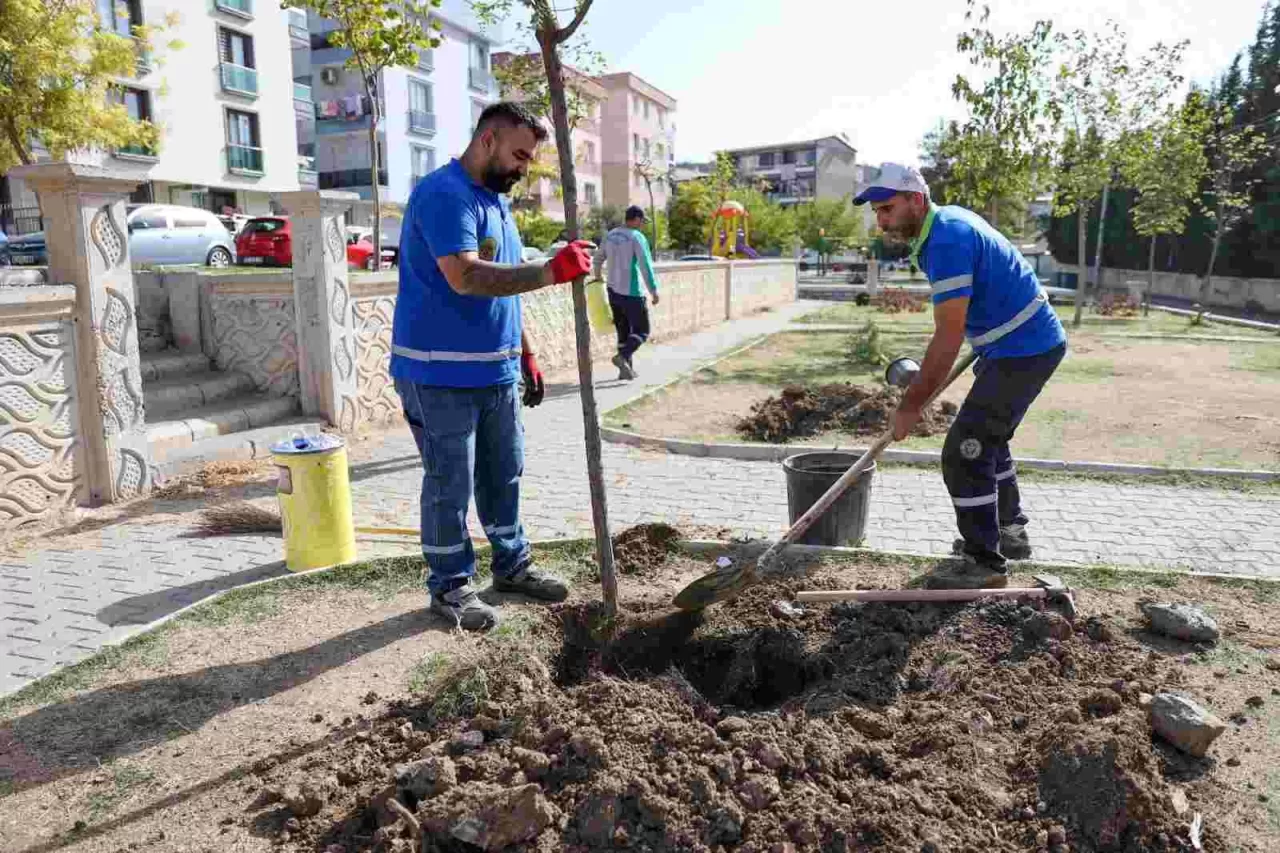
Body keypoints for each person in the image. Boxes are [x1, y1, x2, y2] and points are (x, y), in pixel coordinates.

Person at [391, 101, 594, 631]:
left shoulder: (495, 203)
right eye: (520, 155)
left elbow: (506, 289)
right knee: (449, 483)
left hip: (494, 371)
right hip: (438, 373)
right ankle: (451, 587)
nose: (524, 168)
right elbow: (466, 276)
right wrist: (550, 271)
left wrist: (524, 350)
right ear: (488, 140)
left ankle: (511, 566)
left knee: (504, 475)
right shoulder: (444, 195)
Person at [854, 163, 1067, 589]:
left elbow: (948, 337)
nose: (882, 219)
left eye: (888, 208)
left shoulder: (946, 239)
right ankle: (1010, 532)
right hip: (1016, 343)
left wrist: (910, 406)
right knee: (989, 440)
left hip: (1024, 349)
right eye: (877, 212)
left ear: (916, 199)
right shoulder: (947, 223)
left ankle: (983, 562)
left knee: (964, 452)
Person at [593, 205, 660, 380]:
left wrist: (599, 277)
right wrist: (653, 291)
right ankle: (622, 358)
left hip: (613, 290)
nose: (642, 226)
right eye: (642, 222)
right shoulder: (636, 237)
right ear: (636, 219)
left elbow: (598, 258)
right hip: (632, 292)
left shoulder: (610, 235)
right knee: (642, 330)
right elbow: (645, 266)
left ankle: (626, 371)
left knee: (623, 332)